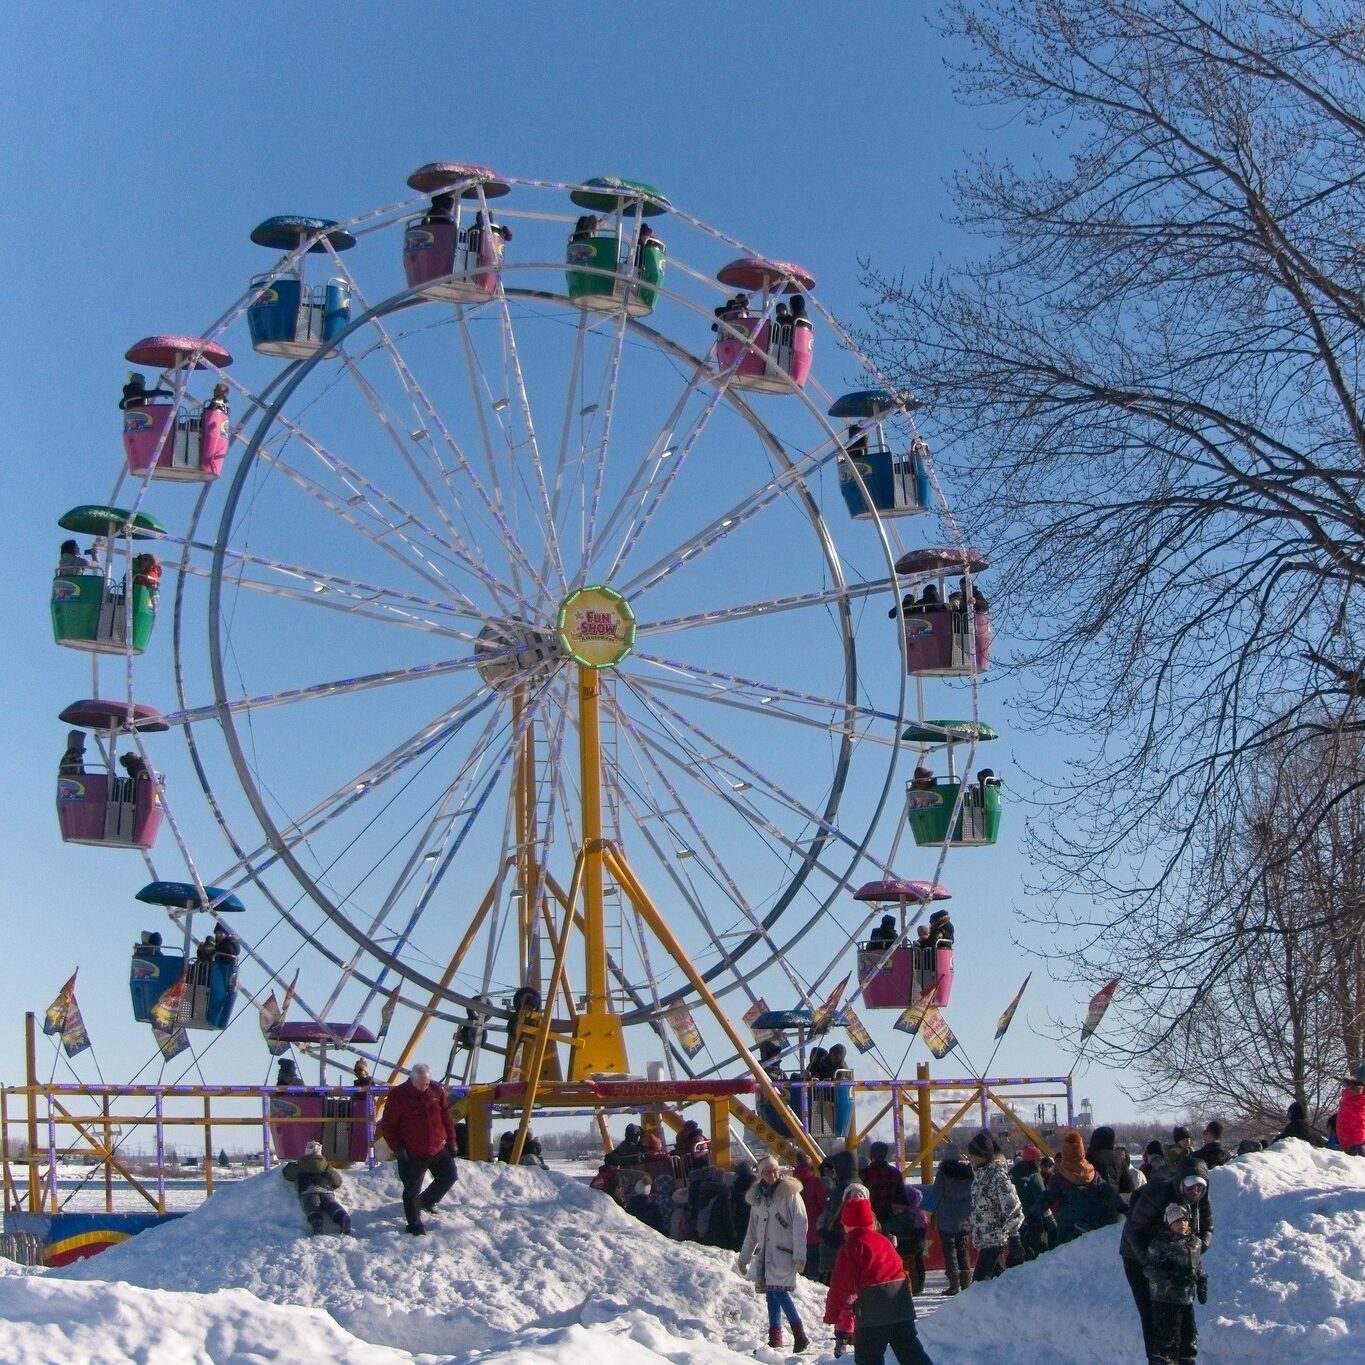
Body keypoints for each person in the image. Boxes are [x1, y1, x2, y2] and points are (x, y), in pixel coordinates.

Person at [1120, 1159, 1213, 1361]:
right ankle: (1158, 1358)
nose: (1195, 1190)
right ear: (1180, 1181)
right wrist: (1151, 1265)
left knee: (1180, 1312)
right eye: (1190, 1184)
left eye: (1201, 1185)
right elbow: (1132, 1231)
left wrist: (1195, 1249)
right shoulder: (1158, 1193)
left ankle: (1182, 1357)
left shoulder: (1200, 1199)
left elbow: (1207, 1229)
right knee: (1153, 1314)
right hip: (1138, 1255)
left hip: (1176, 1256)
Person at [825, 1194, 933, 1365]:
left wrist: (832, 1314)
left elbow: (840, 1285)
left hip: (873, 1311)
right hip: (901, 1306)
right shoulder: (884, 1241)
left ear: (847, 1224)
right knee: (911, 1353)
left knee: (868, 1356)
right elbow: (899, 1269)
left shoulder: (851, 1247)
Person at [736, 1154, 810, 1354]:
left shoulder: (790, 1194)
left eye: (775, 1170)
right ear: (761, 1175)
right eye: (768, 1171)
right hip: (766, 1255)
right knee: (771, 1294)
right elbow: (752, 1233)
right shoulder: (758, 1200)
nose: (773, 1174)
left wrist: (800, 1254)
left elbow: (800, 1224)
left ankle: (799, 1333)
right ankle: (775, 1338)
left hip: (784, 1253)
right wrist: (744, 1258)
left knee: (779, 1291)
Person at [379, 1062, 458, 1235]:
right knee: (411, 1191)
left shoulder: (436, 1091)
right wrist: (397, 1148)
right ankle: (414, 1225)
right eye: (421, 1083)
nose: (424, 1087)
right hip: (411, 1153)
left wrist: (451, 1141)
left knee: (449, 1176)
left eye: (427, 1083)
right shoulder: (399, 1095)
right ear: (412, 1079)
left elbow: (446, 1116)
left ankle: (427, 1201)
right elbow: (388, 1125)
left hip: (437, 1148)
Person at [1144, 1202, 1206, 1365]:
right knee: (1168, 1339)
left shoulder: (1195, 1243)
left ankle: (1187, 1361)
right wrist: (1170, 1278)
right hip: (1164, 1300)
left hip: (1186, 1299)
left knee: (1189, 1337)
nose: (1182, 1224)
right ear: (1169, 1223)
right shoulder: (1161, 1243)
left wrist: (1202, 1281)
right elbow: (1149, 1269)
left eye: (1184, 1220)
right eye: (1176, 1221)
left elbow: (1197, 1265)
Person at [1049, 1129, 1125, 1243]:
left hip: (1079, 1219)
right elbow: (1125, 1186)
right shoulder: (1113, 1161)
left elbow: (1050, 1197)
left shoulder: (1086, 1160)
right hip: (1109, 1213)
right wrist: (1123, 1207)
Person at [965, 1131, 1023, 1279]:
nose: (969, 1158)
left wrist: (1014, 1235)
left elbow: (1013, 1207)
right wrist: (968, 1224)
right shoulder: (979, 1177)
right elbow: (980, 1207)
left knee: (979, 1286)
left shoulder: (997, 1176)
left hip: (995, 1241)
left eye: (972, 1154)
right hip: (984, 1240)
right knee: (996, 1287)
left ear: (982, 1155)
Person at [282, 1139, 352, 1236]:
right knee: (331, 1203)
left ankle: (317, 1222)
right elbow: (337, 1181)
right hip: (326, 1189)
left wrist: (290, 1167)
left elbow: (289, 1176)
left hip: (308, 1189)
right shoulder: (326, 1165)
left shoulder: (301, 1164)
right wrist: (335, 1184)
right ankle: (342, 1216)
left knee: (312, 1205)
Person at [931, 1146, 973, 1294]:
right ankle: (966, 1282)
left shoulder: (943, 1173)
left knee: (950, 1250)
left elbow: (937, 1193)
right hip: (965, 1215)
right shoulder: (968, 1172)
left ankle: (954, 1284)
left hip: (947, 1215)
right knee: (963, 1247)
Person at [1009, 1145, 1054, 1257]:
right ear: (1033, 1160)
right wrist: (1053, 1226)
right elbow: (1042, 1199)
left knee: (1019, 1253)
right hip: (1034, 1219)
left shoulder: (1012, 1174)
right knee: (1040, 1251)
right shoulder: (1034, 1176)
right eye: (1039, 1159)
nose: (1040, 1162)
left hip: (1016, 1221)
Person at [859, 1142, 907, 1230]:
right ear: (886, 1154)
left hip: (870, 1218)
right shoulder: (895, 1173)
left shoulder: (864, 1174)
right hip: (890, 1218)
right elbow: (902, 1199)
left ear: (871, 1155)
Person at [793, 1154, 828, 1276]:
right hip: (814, 1229)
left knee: (801, 1265)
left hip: (797, 1230)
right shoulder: (815, 1182)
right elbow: (823, 1205)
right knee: (814, 1263)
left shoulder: (792, 1183)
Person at [1087, 1125, 1139, 1199]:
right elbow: (1128, 1187)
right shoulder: (1119, 1159)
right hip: (1113, 1201)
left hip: (1090, 1200)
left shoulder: (1087, 1158)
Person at [1339, 1064, 1365, 1155]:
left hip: (1348, 1142)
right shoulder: (1359, 1100)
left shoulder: (1350, 1097)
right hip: (1355, 1146)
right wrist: (1360, 1146)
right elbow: (1359, 1124)